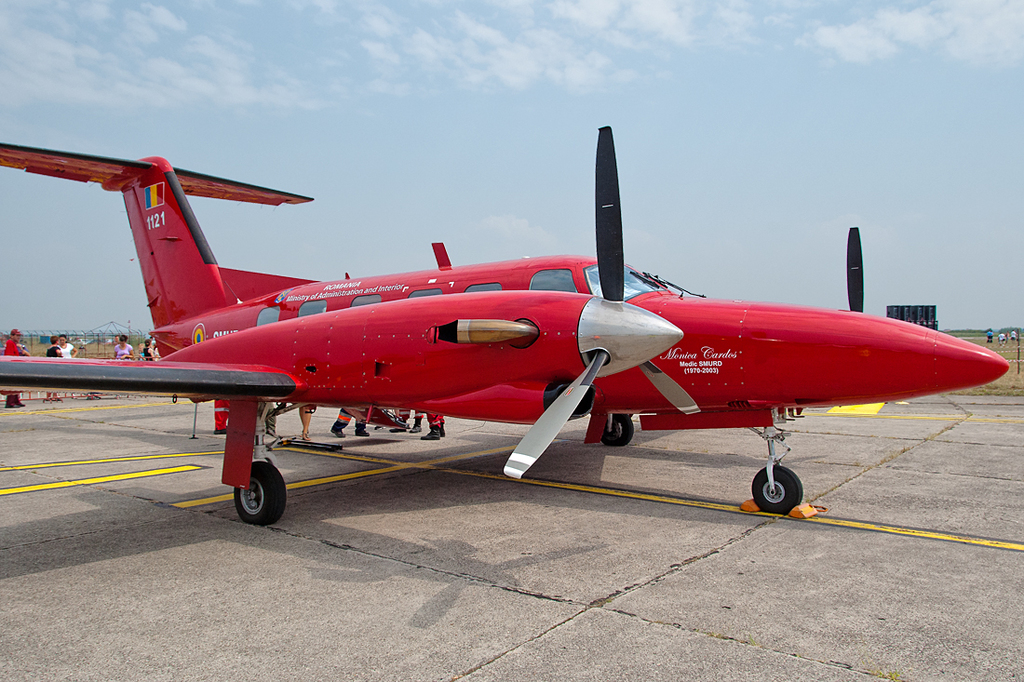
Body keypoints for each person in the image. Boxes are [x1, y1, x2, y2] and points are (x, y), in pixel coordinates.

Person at [4, 329, 29, 408]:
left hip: (15, 365)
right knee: (12, 385)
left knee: (16, 385)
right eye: (17, 335)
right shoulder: (10, 343)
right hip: (11, 366)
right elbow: (9, 355)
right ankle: (10, 402)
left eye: (19, 336)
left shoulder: (15, 344)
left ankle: (16, 400)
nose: (18, 337)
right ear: (12, 336)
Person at [45, 336, 63, 402]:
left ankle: (49, 396)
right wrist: (60, 356)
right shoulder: (56, 348)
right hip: (55, 366)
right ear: (57, 341)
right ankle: (54, 395)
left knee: (50, 381)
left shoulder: (49, 348)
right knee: (55, 381)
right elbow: (58, 352)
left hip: (49, 365)